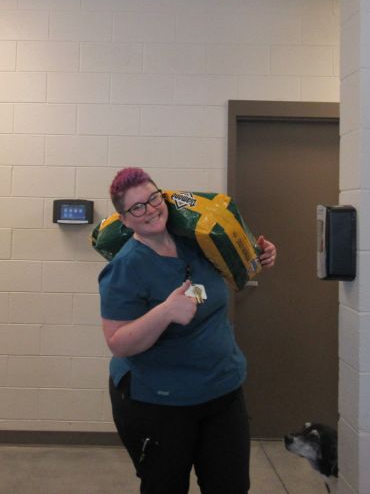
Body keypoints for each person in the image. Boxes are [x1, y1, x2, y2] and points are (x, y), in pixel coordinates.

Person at [98, 167, 277, 494]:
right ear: (124, 219)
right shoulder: (124, 268)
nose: (150, 209)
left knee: (231, 487)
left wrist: (259, 254)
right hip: (160, 405)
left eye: (153, 198)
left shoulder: (195, 241)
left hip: (222, 391)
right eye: (137, 207)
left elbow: (237, 268)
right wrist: (164, 313)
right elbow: (118, 342)